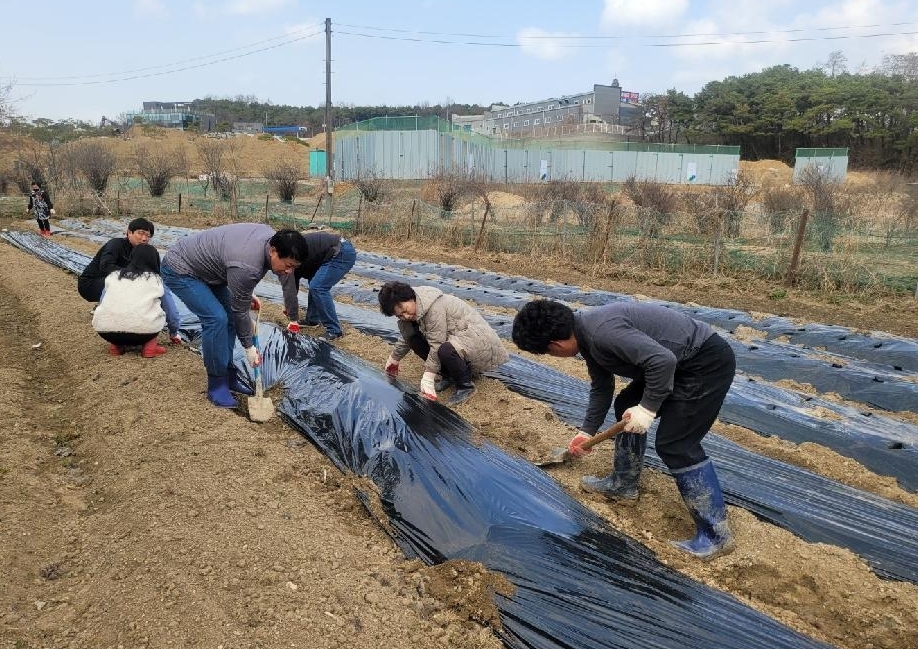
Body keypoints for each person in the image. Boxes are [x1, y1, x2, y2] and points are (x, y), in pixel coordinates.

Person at [511, 299, 737, 560]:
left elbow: (662, 361)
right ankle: (624, 484)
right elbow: (601, 386)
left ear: (556, 345)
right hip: (676, 362)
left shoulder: (602, 333)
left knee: (676, 444)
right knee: (627, 404)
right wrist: (586, 431)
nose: (553, 356)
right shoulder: (585, 336)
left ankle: (716, 536)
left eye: (549, 353)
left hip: (703, 363)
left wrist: (648, 409)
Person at [161, 223, 308, 409]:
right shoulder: (247, 264)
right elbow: (241, 307)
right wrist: (249, 348)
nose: (289, 271)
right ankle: (216, 384)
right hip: (181, 269)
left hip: (210, 269)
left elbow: (238, 277)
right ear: (273, 250)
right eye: (287, 265)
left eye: (294, 267)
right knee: (216, 319)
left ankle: (229, 375)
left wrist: (245, 293)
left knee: (228, 316)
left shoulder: (269, 241)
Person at [378, 281, 508, 407]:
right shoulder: (414, 313)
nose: (405, 317)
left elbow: (437, 343)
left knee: (444, 349)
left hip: (478, 341)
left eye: (406, 310)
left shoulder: (433, 307)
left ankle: (466, 386)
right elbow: (407, 337)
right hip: (456, 339)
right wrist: (394, 359)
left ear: (411, 298)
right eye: (400, 316)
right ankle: (449, 376)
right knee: (415, 341)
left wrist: (428, 376)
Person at [77, 218, 183, 345]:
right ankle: (106, 307)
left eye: (148, 236)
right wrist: (133, 275)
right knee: (128, 283)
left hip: (108, 328)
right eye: (141, 233)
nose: (144, 238)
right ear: (129, 232)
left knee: (137, 285)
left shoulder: (143, 252)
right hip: (91, 283)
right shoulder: (116, 244)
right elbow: (105, 266)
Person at [91, 244, 170, 358]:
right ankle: (149, 347)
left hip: (105, 331)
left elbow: (103, 300)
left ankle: (116, 346)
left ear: (131, 258)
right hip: (144, 333)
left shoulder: (114, 275)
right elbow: (170, 309)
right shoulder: (156, 280)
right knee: (155, 312)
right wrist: (173, 333)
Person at [279, 230, 356, 341]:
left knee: (318, 287)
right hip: (327, 254)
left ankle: (335, 330)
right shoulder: (290, 259)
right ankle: (312, 320)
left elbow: (291, 288)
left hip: (340, 252)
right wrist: (287, 303)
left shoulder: (293, 255)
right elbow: (292, 287)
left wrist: (291, 315)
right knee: (314, 282)